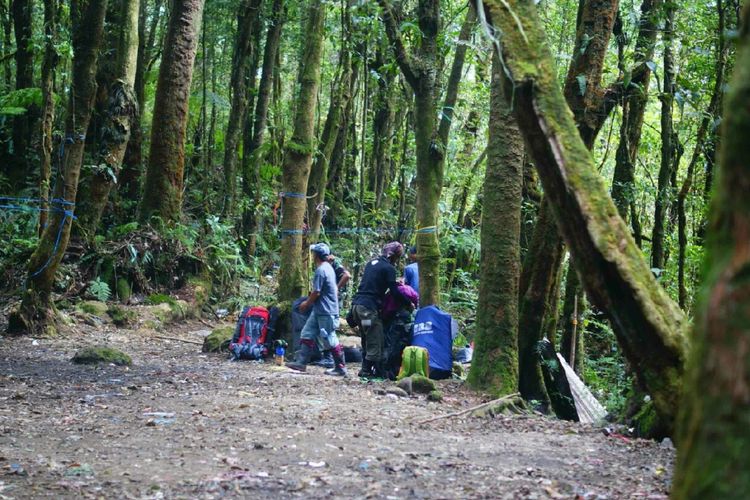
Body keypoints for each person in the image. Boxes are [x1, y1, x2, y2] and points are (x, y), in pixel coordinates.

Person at [351, 241, 412, 379]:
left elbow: (374, 283)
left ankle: (365, 369)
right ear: (394, 257)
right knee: (375, 338)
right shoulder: (388, 268)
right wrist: (408, 303)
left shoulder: (371, 264)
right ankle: (366, 372)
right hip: (367, 311)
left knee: (367, 336)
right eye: (397, 258)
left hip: (357, 309)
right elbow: (394, 291)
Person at [286, 243, 347, 376]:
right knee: (307, 332)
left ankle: (340, 367)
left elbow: (316, 292)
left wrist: (306, 304)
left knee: (330, 338)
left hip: (326, 311)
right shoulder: (328, 267)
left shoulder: (321, 270)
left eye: (313, 254)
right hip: (319, 310)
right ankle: (301, 363)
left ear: (316, 256)